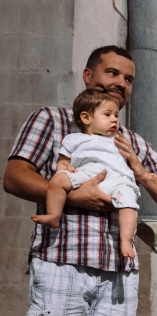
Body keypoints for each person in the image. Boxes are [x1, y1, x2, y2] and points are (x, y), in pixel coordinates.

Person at [3, 45, 157, 316]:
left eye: (128, 79)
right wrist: (76, 196)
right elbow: (14, 177)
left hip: (119, 272)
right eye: (112, 73)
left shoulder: (135, 143)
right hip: (62, 263)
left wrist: (142, 173)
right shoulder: (53, 120)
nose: (120, 83)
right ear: (87, 75)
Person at [31, 89, 144, 258]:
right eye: (107, 114)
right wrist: (64, 170)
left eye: (116, 115)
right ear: (86, 118)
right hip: (85, 172)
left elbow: (132, 162)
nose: (114, 119)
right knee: (57, 180)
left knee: (129, 203)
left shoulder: (118, 140)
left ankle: (126, 240)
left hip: (116, 177)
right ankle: (54, 215)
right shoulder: (73, 139)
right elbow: (63, 161)